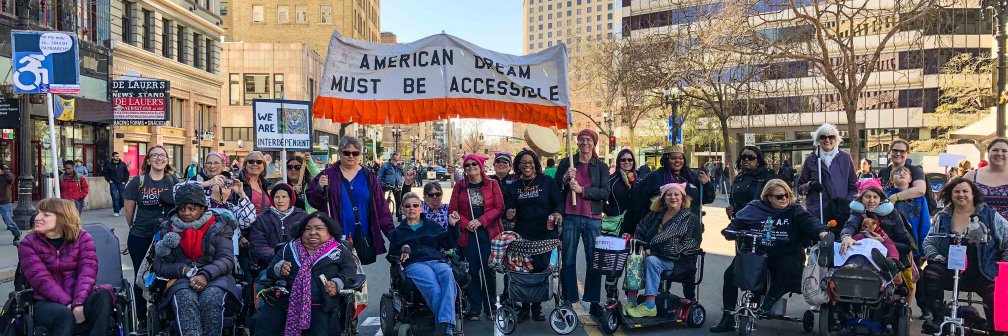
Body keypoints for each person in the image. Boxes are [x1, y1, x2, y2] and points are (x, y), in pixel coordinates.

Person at [710, 179, 830, 332]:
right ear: (767, 197)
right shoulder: (755, 208)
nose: (784, 199)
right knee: (730, 274)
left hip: (786, 253)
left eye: (787, 195)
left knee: (790, 268)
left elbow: (810, 222)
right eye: (779, 196)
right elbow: (738, 222)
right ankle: (727, 316)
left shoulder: (794, 210)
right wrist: (731, 230)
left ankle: (767, 303)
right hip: (757, 253)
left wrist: (821, 232)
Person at [920, 177, 1008, 334]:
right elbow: (929, 241)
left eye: (965, 191)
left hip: (983, 271)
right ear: (951, 194)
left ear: (973, 194)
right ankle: (938, 317)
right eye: (957, 191)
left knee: (995, 293)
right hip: (950, 268)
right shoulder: (943, 217)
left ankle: (995, 328)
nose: (961, 194)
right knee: (930, 273)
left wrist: (1002, 264)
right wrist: (935, 255)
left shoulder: (990, 215)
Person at [151, 182, 240, 336]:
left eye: (192, 209)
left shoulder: (218, 227)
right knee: (185, 298)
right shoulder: (168, 228)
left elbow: (226, 259)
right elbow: (159, 265)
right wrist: (184, 270)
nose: (186, 213)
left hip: (216, 276)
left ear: (202, 208)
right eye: (182, 209)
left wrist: (205, 275)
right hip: (181, 278)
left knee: (211, 298)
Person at [16, 198, 114, 336]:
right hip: (45, 302)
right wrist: (69, 305)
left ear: (62, 218)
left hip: (80, 296)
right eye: (38, 213)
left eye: (46, 214)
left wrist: (78, 303)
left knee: (103, 296)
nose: (37, 218)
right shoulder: (28, 244)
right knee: (64, 314)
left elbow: (87, 273)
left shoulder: (83, 238)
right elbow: (41, 280)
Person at [255, 212, 358, 336]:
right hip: (289, 303)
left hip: (323, 304)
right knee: (263, 324)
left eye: (319, 228)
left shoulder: (339, 250)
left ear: (329, 231)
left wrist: (337, 283)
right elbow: (270, 270)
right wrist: (279, 268)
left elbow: (350, 271)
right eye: (308, 229)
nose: (313, 232)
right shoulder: (289, 249)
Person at [307, 136, 395, 262]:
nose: (351, 156)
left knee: (356, 269)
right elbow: (313, 201)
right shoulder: (327, 175)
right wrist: (319, 188)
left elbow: (381, 206)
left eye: (355, 153)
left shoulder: (368, 176)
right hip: (336, 235)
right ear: (340, 153)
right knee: (338, 268)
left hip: (362, 234)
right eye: (346, 153)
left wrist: (391, 232)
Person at [554, 129, 611, 318]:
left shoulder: (601, 166)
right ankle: (569, 299)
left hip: (592, 218)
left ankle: (593, 302)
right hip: (570, 217)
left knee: (594, 261)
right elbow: (555, 187)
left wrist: (582, 191)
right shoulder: (567, 162)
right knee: (568, 260)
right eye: (581, 139)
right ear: (577, 142)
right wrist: (564, 178)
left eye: (589, 140)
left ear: (594, 144)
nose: (585, 142)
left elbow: (604, 192)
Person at [502, 149, 563, 321]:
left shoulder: (547, 181)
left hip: (545, 233)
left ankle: (537, 307)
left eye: (530, 162)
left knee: (541, 269)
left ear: (535, 164)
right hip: (523, 233)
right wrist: (509, 213)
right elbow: (508, 209)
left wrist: (558, 213)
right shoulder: (513, 187)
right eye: (523, 163)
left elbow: (559, 202)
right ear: (518, 166)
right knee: (524, 270)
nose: (527, 165)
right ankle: (524, 307)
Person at [624, 183, 701, 318]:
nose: (673, 197)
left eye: (676, 194)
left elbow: (688, 246)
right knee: (633, 257)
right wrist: (636, 245)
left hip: (678, 261)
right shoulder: (655, 215)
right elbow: (640, 231)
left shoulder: (691, 219)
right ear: (663, 198)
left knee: (652, 261)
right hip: (652, 254)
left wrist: (655, 251)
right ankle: (632, 300)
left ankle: (649, 306)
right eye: (669, 195)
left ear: (683, 198)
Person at [389, 192, 461, 335]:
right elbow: (392, 255)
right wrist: (403, 249)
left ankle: (443, 324)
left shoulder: (431, 225)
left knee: (447, 275)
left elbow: (448, 243)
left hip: (437, 260)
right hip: (416, 264)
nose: (412, 208)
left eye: (415, 205)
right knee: (434, 288)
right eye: (407, 206)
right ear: (402, 210)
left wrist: (452, 225)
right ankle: (446, 328)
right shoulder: (398, 232)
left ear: (421, 208)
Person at [123, 145, 177, 324]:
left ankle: (162, 314)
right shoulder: (137, 182)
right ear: (148, 160)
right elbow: (128, 211)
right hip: (140, 236)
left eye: (163, 155)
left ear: (167, 160)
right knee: (141, 277)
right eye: (155, 155)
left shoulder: (172, 180)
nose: (159, 158)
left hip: (165, 237)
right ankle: (142, 318)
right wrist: (134, 227)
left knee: (164, 275)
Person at [449, 153, 505, 321]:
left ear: (481, 167)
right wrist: (466, 223)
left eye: (474, 164)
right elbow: (453, 210)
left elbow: (499, 208)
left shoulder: (493, 184)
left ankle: (490, 307)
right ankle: (474, 308)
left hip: (488, 232)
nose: (471, 167)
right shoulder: (460, 186)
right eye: (467, 165)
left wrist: (481, 221)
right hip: (468, 234)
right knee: (471, 271)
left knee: (488, 270)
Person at [838, 179, 915, 281]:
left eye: (875, 197)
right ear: (861, 198)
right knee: (856, 238)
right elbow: (850, 225)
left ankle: (891, 265)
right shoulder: (857, 213)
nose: (871, 201)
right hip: (864, 255)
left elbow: (906, 247)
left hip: (888, 252)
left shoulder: (893, 214)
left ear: (881, 199)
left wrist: (884, 241)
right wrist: (846, 236)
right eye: (867, 197)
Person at [629, 148, 714, 230]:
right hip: (661, 230)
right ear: (666, 160)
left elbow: (707, 199)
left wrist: (706, 184)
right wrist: (644, 228)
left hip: (690, 228)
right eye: (673, 158)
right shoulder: (654, 177)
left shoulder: (691, 176)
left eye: (681, 158)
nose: (678, 161)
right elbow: (638, 204)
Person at [796, 123, 857, 234]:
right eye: (823, 137)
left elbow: (853, 186)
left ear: (836, 139)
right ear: (818, 140)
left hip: (840, 212)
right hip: (818, 211)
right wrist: (810, 185)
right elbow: (800, 188)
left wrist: (846, 202)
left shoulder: (845, 158)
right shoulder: (811, 159)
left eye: (831, 137)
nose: (827, 140)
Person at [249, 183, 310, 270]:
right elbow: (258, 246)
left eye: (284, 197)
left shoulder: (303, 217)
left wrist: (293, 258)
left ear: (291, 198)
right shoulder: (262, 219)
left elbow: (308, 242)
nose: (280, 201)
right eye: (277, 197)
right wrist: (279, 258)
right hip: (269, 265)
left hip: (299, 264)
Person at [963, 138, 1008, 220]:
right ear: (988, 153)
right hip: (977, 226)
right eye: (995, 150)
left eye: (1004, 151)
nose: (999, 153)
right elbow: (956, 200)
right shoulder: (971, 176)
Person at [726, 146, 775, 220]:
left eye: (751, 157)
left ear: (758, 160)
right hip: (739, 221)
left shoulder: (768, 177)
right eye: (743, 157)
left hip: (760, 221)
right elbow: (732, 200)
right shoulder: (738, 178)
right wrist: (731, 208)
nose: (746, 159)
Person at [605, 149, 638, 234]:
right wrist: (612, 212)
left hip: (634, 224)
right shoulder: (611, 180)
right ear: (618, 162)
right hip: (615, 224)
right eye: (623, 160)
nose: (627, 162)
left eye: (630, 160)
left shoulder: (638, 180)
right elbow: (601, 200)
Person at [239, 151, 274, 216]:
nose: (255, 164)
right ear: (245, 165)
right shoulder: (238, 183)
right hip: (247, 221)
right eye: (251, 161)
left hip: (265, 221)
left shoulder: (265, 184)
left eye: (259, 162)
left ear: (263, 166)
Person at [103, 152, 130, 217]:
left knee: (123, 197)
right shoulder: (109, 165)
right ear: (113, 157)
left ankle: (119, 207)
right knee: (115, 197)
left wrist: (125, 181)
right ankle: (116, 211)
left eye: (118, 156)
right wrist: (109, 181)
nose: (118, 157)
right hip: (113, 183)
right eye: (116, 156)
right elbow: (106, 173)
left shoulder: (122, 164)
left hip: (121, 183)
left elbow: (126, 173)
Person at [0, 163, 18, 243]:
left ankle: (17, 234)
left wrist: (5, 171)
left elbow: (11, 178)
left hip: (5, 203)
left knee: (8, 221)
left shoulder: (6, 177)